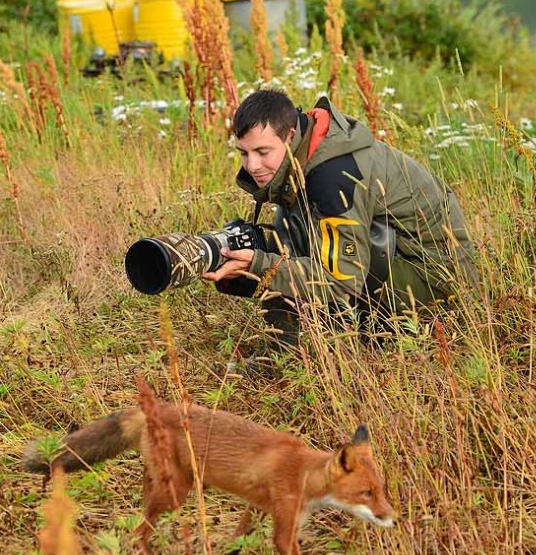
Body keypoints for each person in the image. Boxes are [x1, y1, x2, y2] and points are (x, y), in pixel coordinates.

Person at [202, 89, 478, 362]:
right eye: (243, 153)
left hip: (437, 286)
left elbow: (341, 281)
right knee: (263, 243)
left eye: (262, 151)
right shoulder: (304, 150)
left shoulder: (333, 176)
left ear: (289, 135)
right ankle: (284, 357)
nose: (252, 165)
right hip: (397, 265)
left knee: (277, 256)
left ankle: (350, 344)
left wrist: (260, 265)